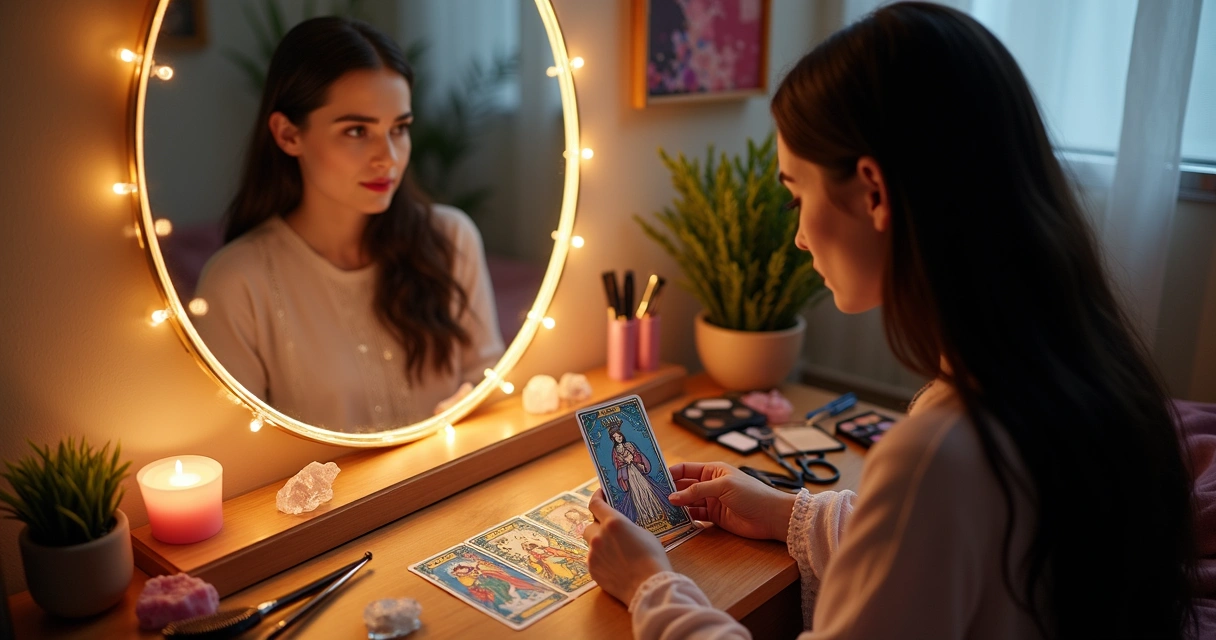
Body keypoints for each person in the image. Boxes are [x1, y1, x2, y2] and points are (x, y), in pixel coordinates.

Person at [581, 3, 1198, 639]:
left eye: (797, 195)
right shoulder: (1082, 372)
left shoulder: (941, 453)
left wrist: (652, 586)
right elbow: (938, 548)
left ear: (873, 191)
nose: (796, 237)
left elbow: (931, 513)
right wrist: (787, 512)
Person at [193, 17, 503, 432]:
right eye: (357, 130)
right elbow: (247, 455)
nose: (388, 157)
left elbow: (490, 382)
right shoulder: (237, 282)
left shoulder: (450, 238)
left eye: (400, 128)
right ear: (288, 135)